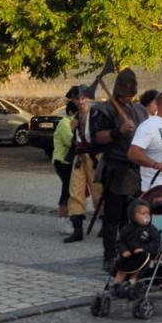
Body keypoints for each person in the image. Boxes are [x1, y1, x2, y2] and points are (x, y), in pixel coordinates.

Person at [90, 68, 147, 270]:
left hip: (138, 170)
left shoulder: (140, 110)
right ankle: (109, 255)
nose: (129, 96)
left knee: (134, 217)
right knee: (113, 217)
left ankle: (130, 252)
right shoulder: (103, 109)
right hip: (116, 168)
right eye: (126, 92)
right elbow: (98, 138)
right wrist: (118, 131)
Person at [63, 87, 100, 244]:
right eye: (77, 99)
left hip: (95, 156)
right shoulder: (75, 117)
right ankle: (77, 229)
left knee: (98, 191)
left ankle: (106, 224)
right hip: (80, 157)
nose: (80, 102)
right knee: (75, 191)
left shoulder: (98, 115)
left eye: (83, 99)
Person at [111, 199, 160, 293]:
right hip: (128, 255)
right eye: (143, 214)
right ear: (133, 216)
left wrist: (144, 249)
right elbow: (120, 242)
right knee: (121, 268)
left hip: (143, 255)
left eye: (148, 213)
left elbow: (155, 243)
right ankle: (116, 285)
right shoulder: (126, 229)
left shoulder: (151, 230)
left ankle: (131, 283)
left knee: (136, 268)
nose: (147, 216)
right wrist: (123, 250)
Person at [52, 97, 78, 236]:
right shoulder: (65, 123)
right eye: (76, 113)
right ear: (70, 112)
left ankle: (69, 217)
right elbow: (70, 142)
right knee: (67, 189)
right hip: (62, 161)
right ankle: (62, 220)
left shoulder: (71, 122)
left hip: (69, 162)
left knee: (71, 190)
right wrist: (75, 130)